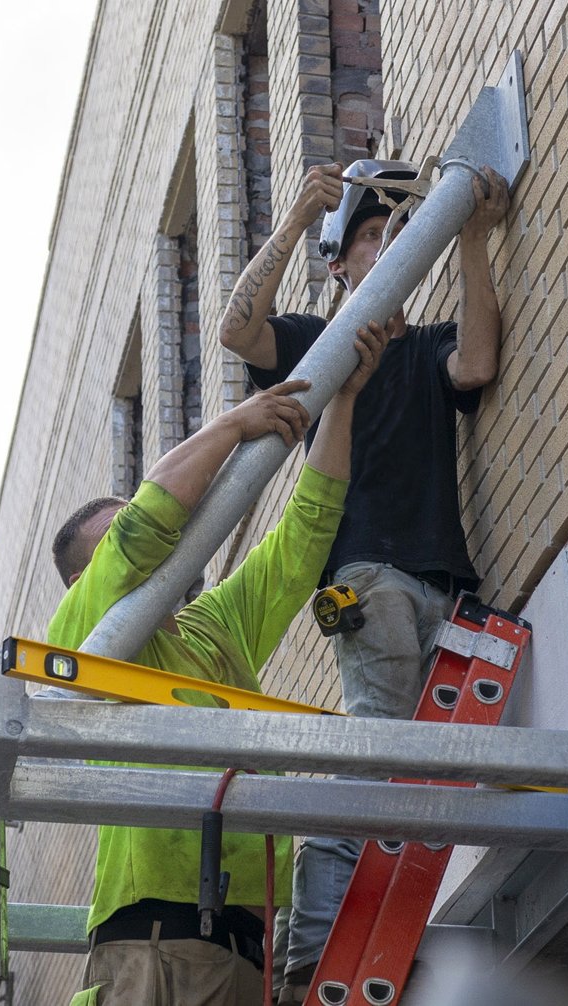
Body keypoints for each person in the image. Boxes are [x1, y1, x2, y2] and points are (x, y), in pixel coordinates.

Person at [219, 158, 510, 1004]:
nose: (387, 248)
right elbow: (238, 333)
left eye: (399, 234)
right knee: (376, 747)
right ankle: (311, 953)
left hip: (443, 585)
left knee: (413, 776)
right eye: (370, 237)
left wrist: (471, 237)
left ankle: (354, 944)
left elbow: (477, 364)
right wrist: (293, 221)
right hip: (365, 577)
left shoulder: (422, 349)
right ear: (341, 263)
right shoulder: (321, 343)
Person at [51, 323, 389, 1006]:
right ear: (88, 579)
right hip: (158, 950)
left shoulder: (211, 628)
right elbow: (146, 523)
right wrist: (235, 423)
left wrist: (344, 400)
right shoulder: (83, 634)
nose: (168, 545)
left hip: (244, 952)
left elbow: (301, 540)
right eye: (117, 543)